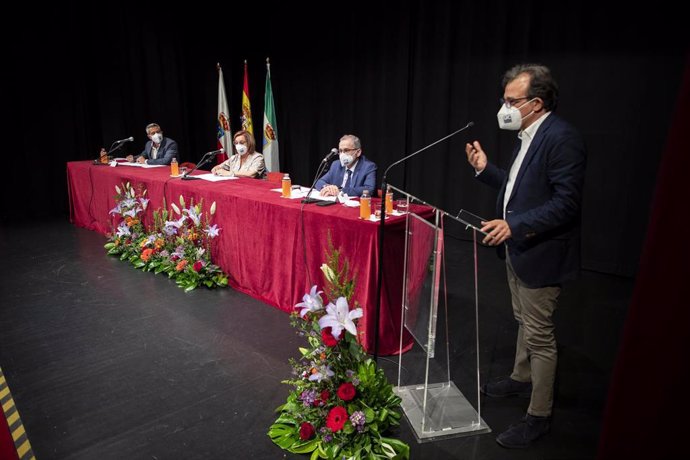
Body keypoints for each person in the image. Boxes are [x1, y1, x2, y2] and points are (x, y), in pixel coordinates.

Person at [465, 64, 587, 449]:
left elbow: (566, 203)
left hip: (541, 252)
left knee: (540, 335)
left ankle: (539, 415)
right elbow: (519, 188)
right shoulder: (526, 134)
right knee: (523, 319)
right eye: (504, 100)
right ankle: (521, 376)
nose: (505, 108)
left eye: (511, 101)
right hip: (519, 249)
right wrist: (487, 171)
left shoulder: (562, 138)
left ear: (536, 103)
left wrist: (515, 227)